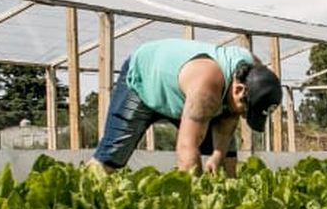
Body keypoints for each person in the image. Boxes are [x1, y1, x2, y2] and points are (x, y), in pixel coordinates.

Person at [92, 38, 284, 176]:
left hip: (187, 94)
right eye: (246, 110)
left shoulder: (253, 73)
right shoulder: (207, 88)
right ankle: (85, 191)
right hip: (145, 79)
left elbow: (229, 120)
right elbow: (186, 147)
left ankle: (230, 196)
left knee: (228, 157)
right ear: (239, 89)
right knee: (112, 155)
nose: (243, 116)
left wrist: (217, 156)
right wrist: (198, 202)